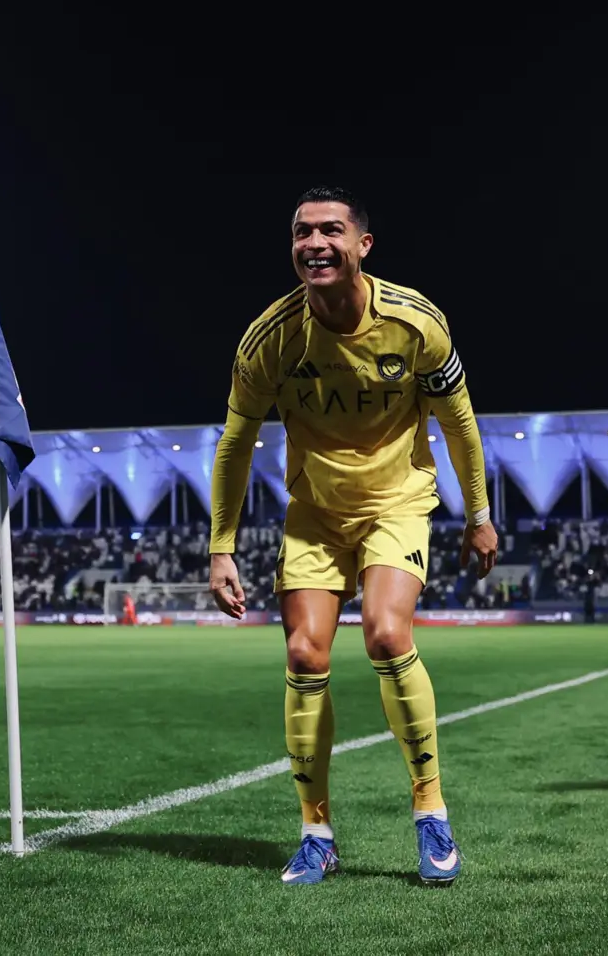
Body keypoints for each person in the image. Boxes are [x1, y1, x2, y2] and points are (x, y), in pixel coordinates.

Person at [208, 186, 498, 886]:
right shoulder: (269, 338)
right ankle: (316, 832)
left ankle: (430, 812)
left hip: (397, 502)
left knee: (386, 635)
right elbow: (236, 441)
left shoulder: (416, 323)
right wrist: (221, 545)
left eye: (331, 230)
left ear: (363, 245)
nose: (315, 243)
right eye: (302, 232)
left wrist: (479, 514)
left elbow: (458, 422)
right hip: (314, 513)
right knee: (306, 654)